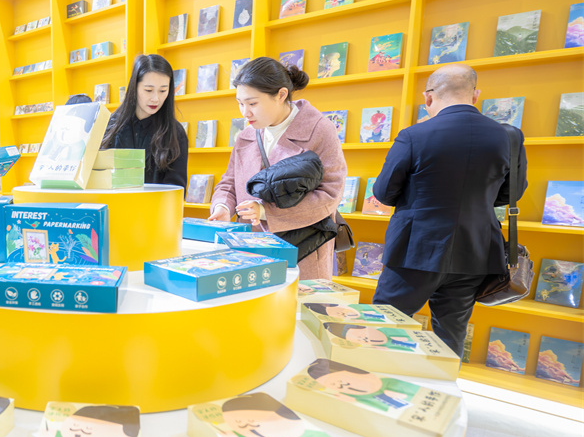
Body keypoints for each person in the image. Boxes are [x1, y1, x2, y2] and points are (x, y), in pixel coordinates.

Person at [371, 64, 527, 354]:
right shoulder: (510, 137)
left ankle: (376, 379)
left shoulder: (413, 135)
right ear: (475, 95)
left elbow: (384, 193)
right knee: (451, 335)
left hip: (414, 250)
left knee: (384, 325)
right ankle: (442, 382)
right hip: (475, 251)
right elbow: (511, 194)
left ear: (428, 98)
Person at [209, 57, 346, 279]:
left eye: (252, 103)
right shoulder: (246, 135)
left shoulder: (319, 130)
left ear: (281, 95)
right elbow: (230, 182)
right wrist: (223, 207)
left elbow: (330, 194)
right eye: (240, 103)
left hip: (301, 251)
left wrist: (266, 211)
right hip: (250, 250)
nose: (245, 112)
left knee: (295, 301)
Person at [101, 54, 188, 188]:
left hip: (155, 202)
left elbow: (176, 189)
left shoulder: (176, 133)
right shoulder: (110, 126)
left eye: (163, 90)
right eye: (148, 90)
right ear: (134, 87)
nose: (156, 98)